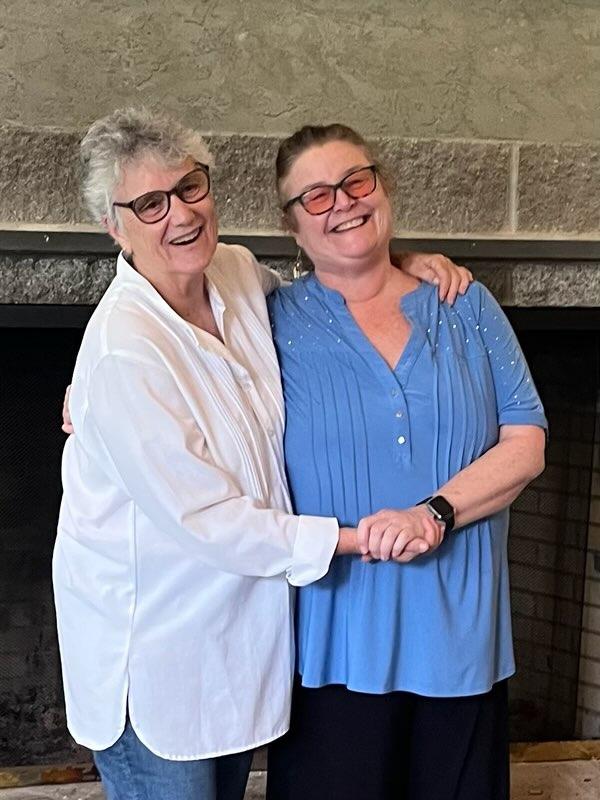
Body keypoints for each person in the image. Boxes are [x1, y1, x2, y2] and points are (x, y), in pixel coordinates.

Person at [54, 108, 470, 800]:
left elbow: (324, 289)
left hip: (232, 645)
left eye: (190, 187)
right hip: (152, 658)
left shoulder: (237, 271)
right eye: (150, 204)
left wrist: (398, 264)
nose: (180, 214)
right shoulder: (125, 354)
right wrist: (356, 540)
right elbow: (211, 520)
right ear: (113, 226)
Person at [265, 124, 547, 800]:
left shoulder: (466, 305)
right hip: (332, 646)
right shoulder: (269, 319)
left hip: (460, 640)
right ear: (292, 225)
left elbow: (527, 440)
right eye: (316, 195)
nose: (343, 202)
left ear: (383, 187)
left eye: (356, 181)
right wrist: (92, 387)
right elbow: (186, 355)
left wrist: (434, 513)